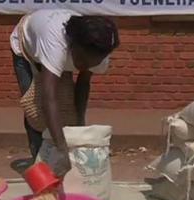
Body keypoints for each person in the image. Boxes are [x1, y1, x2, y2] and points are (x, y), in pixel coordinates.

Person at [10, 9, 120, 178]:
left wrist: (80, 122)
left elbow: (83, 83)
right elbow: (49, 97)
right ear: (72, 46)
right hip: (27, 49)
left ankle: (58, 162)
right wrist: (62, 149)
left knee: (67, 113)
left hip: (61, 55)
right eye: (82, 61)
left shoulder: (99, 52)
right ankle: (40, 167)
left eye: (90, 64)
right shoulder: (56, 43)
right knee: (36, 111)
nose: (84, 66)